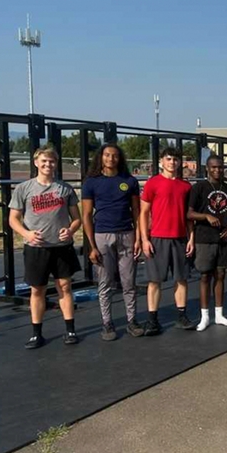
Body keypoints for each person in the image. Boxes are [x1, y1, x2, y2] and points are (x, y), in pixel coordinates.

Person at [9, 147, 82, 349]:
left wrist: (70, 230)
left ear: (56, 163)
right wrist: (27, 234)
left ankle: (70, 330)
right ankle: (36, 334)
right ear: (36, 162)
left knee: (65, 287)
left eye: (51, 161)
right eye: (44, 161)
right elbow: (13, 219)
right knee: (37, 290)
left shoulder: (65, 189)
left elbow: (77, 219)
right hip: (36, 248)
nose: (48, 165)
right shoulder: (23, 189)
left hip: (61, 247)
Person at [82, 143, 143, 341]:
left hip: (127, 235)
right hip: (102, 236)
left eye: (115, 156)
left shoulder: (129, 181)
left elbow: (137, 212)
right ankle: (107, 323)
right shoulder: (91, 182)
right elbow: (86, 215)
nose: (111, 159)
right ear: (101, 157)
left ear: (120, 158)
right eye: (107, 155)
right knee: (105, 283)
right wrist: (91, 246)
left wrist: (138, 238)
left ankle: (132, 321)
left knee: (128, 282)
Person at [139, 147, 194, 335]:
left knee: (182, 278)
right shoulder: (152, 184)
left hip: (180, 239)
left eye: (176, 159)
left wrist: (191, 238)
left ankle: (182, 316)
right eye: (169, 159)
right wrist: (145, 239)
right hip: (157, 239)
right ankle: (152, 320)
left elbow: (189, 217)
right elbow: (143, 213)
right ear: (162, 161)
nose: (172, 162)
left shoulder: (186, 187)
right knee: (154, 281)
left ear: (180, 162)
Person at [188, 154, 227, 330]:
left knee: (221, 275)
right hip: (204, 238)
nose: (217, 170)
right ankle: (204, 316)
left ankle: (219, 314)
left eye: (220, 167)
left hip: (223, 239)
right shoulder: (199, 188)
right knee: (205, 276)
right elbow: (189, 213)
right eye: (214, 167)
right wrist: (206, 216)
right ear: (207, 168)